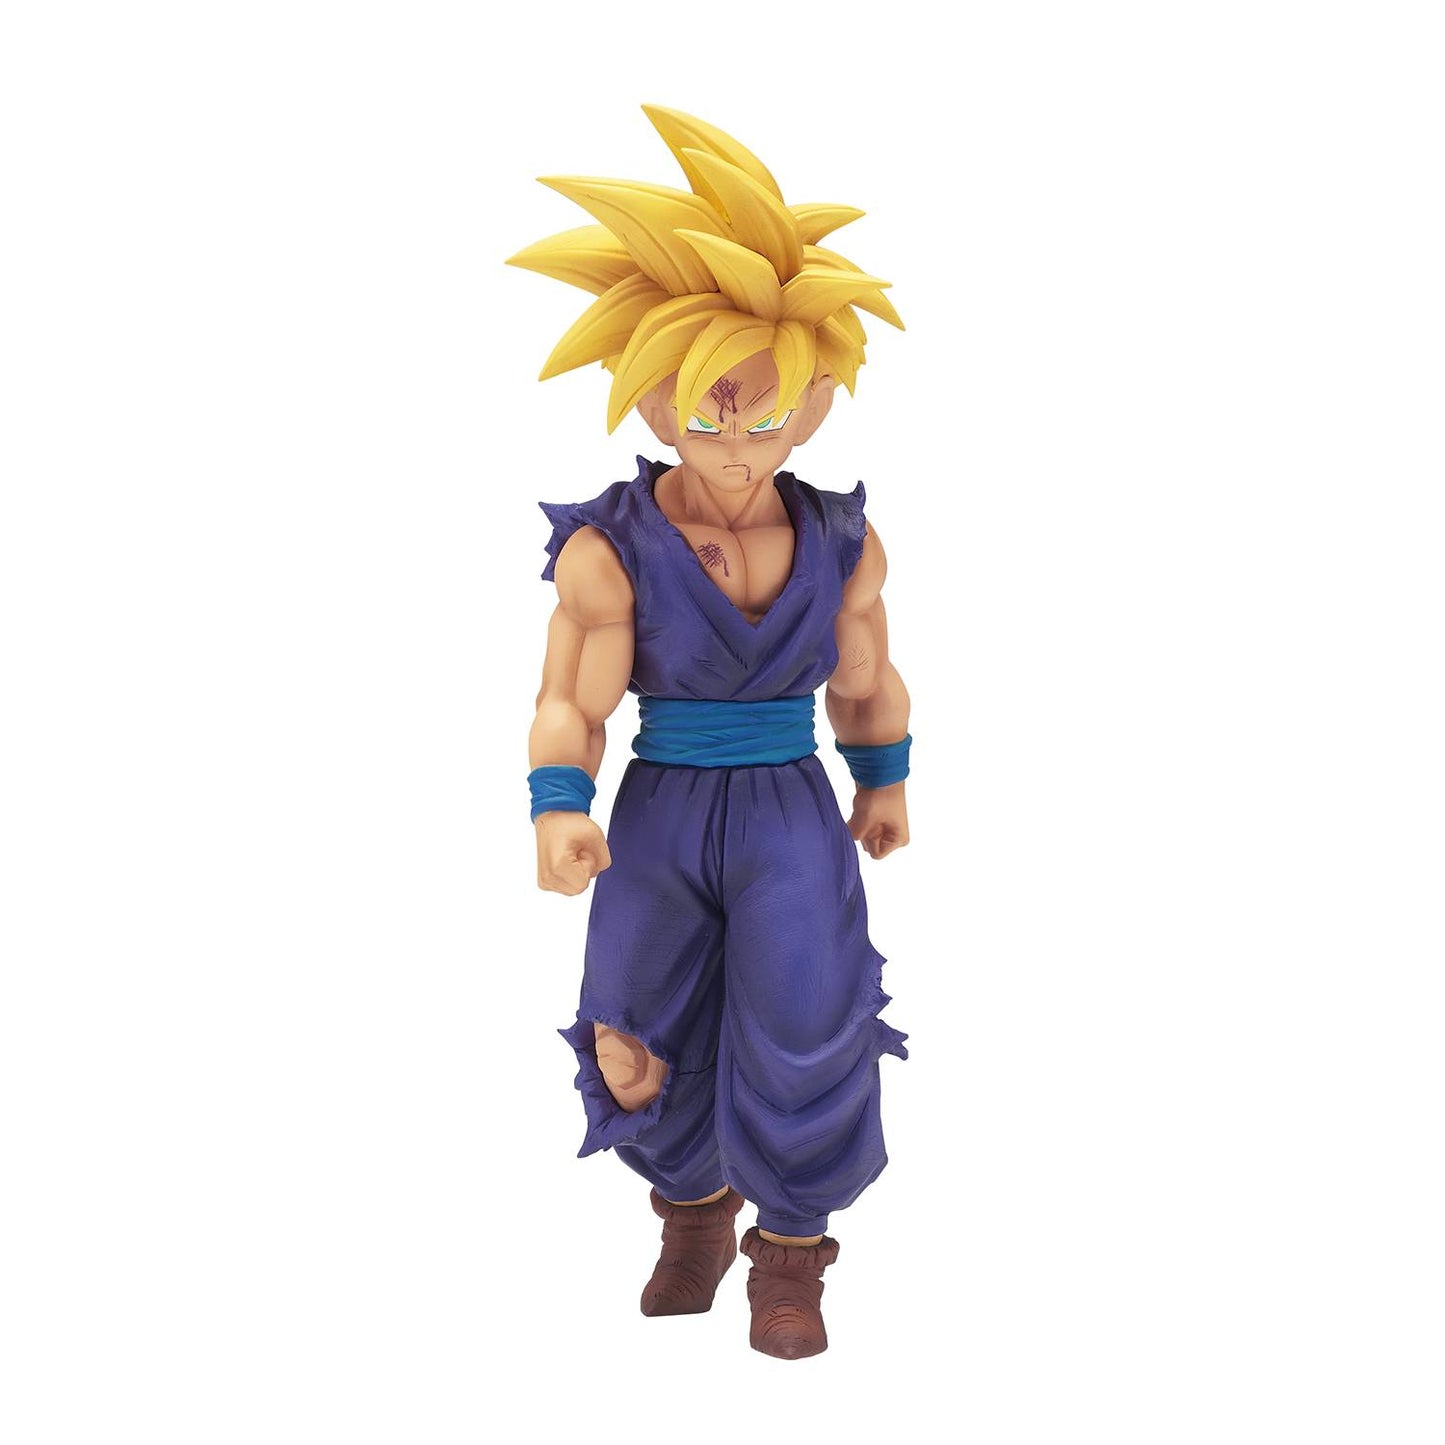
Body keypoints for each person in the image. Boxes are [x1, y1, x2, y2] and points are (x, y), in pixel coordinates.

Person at [510, 106, 912, 1359]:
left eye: (763, 418)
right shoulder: (611, 547)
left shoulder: (839, 541)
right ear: (652, 400)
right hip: (661, 804)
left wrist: (883, 777)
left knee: (806, 1014)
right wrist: (557, 802)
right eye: (704, 417)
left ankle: (788, 1252)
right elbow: (571, 692)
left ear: (816, 404)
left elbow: (866, 674)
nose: (735, 451)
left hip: (790, 805)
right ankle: (690, 1213)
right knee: (636, 1028)